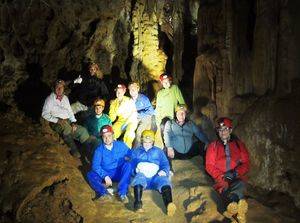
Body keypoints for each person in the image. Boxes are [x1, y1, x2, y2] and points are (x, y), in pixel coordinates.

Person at [205, 117, 250, 223]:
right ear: (218, 132)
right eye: (220, 130)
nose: (223, 132)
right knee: (224, 189)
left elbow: (246, 163)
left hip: (237, 177)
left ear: (230, 130)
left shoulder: (239, 145)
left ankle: (233, 209)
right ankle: (240, 213)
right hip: (221, 179)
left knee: (240, 184)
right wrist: (222, 176)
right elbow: (209, 165)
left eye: (225, 129)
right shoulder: (213, 146)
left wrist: (235, 172)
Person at [131, 130, 176, 216]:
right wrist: (134, 171)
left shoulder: (158, 151)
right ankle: (137, 204)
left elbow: (165, 163)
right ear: (141, 141)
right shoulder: (136, 152)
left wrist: (164, 171)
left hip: (156, 176)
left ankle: (169, 204)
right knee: (138, 177)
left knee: (164, 181)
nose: (147, 144)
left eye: (150, 142)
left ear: (153, 142)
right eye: (145, 142)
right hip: (142, 177)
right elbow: (131, 164)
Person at [41, 79, 91, 158]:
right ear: (54, 88)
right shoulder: (50, 99)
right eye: (57, 87)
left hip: (67, 120)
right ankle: (74, 150)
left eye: (61, 87)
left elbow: (70, 112)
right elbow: (44, 114)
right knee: (66, 128)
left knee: (83, 131)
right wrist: (57, 120)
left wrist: (73, 122)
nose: (59, 89)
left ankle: (89, 151)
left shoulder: (65, 98)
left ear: (64, 88)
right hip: (56, 122)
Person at [86, 125, 132, 202]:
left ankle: (122, 193)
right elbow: (95, 166)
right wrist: (105, 176)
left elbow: (130, 154)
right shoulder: (99, 150)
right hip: (106, 172)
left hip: (119, 172)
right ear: (101, 138)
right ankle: (104, 193)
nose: (107, 139)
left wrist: (128, 157)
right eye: (104, 136)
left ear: (113, 135)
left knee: (128, 166)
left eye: (109, 136)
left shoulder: (121, 145)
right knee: (90, 174)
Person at [164, 104, 209, 170]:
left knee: (204, 146)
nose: (181, 115)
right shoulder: (170, 123)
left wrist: (206, 141)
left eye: (183, 113)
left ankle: (208, 168)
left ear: (186, 114)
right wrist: (169, 147)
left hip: (189, 152)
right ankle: (168, 170)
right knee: (164, 151)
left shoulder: (190, 124)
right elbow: (166, 134)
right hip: (176, 152)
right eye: (179, 113)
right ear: (176, 114)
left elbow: (198, 133)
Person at [155, 74, 185, 146]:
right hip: (163, 118)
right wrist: (157, 120)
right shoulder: (160, 93)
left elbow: (182, 102)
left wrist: (181, 115)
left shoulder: (174, 88)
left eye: (167, 81)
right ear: (161, 83)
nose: (166, 83)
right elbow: (158, 108)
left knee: (174, 134)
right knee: (164, 132)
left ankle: (177, 149)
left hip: (173, 116)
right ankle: (167, 148)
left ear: (170, 81)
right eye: (164, 82)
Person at [109, 84, 138, 148]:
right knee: (111, 132)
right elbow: (112, 117)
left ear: (124, 92)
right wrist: (106, 121)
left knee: (129, 133)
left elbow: (134, 113)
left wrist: (127, 122)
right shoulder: (113, 103)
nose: (118, 93)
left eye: (120, 91)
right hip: (121, 121)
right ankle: (113, 149)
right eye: (117, 91)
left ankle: (127, 151)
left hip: (131, 120)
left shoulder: (129, 100)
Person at [128, 82, 156, 148]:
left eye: (134, 89)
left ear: (138, 89)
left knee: (139, 133)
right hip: (135, 119)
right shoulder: (129, 100)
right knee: (129, 131)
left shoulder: (144, 99)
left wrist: (138, 113)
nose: (132, 91)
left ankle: (136, 152)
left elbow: (151, 111)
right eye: (130, 89)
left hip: (145, 118)